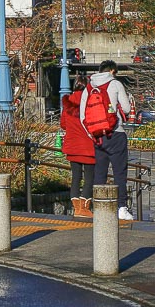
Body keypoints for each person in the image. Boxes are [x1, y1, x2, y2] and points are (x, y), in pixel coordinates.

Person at [90, 60, 135, 220]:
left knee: (100, 172)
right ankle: (121, 207)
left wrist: (92, 133)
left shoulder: (90, 86)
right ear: (111, 71)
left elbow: (83, 115)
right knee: (119, 173)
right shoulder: (115, 84)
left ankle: (99, 207)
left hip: (97, 136)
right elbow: (127, 108)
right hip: (115, 133)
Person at [59, 76, 96, 217]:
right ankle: (84, 209)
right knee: (89, 178)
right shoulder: (90, 101)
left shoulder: (68, 102)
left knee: (75, 177)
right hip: (88, 146)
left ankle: (76, 208)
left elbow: (63, 124)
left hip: (73, 145)